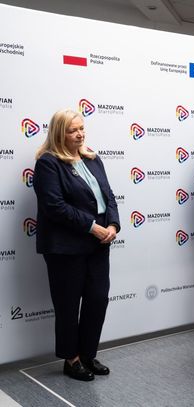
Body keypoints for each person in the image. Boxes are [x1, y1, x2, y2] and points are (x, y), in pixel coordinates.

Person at [33, 109, 120, 382]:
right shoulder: (48, 163)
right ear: (60, 133)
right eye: (73, 130)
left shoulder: (92, 158)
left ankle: (88, 354)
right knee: (68, 305)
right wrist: (92, 227)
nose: (80, 134)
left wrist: (113, 225)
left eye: (82, 128)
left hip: (98, 244)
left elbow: (108, 196)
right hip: (65, 248)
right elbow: (55, 206)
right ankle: (71, 360)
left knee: (98, 299)